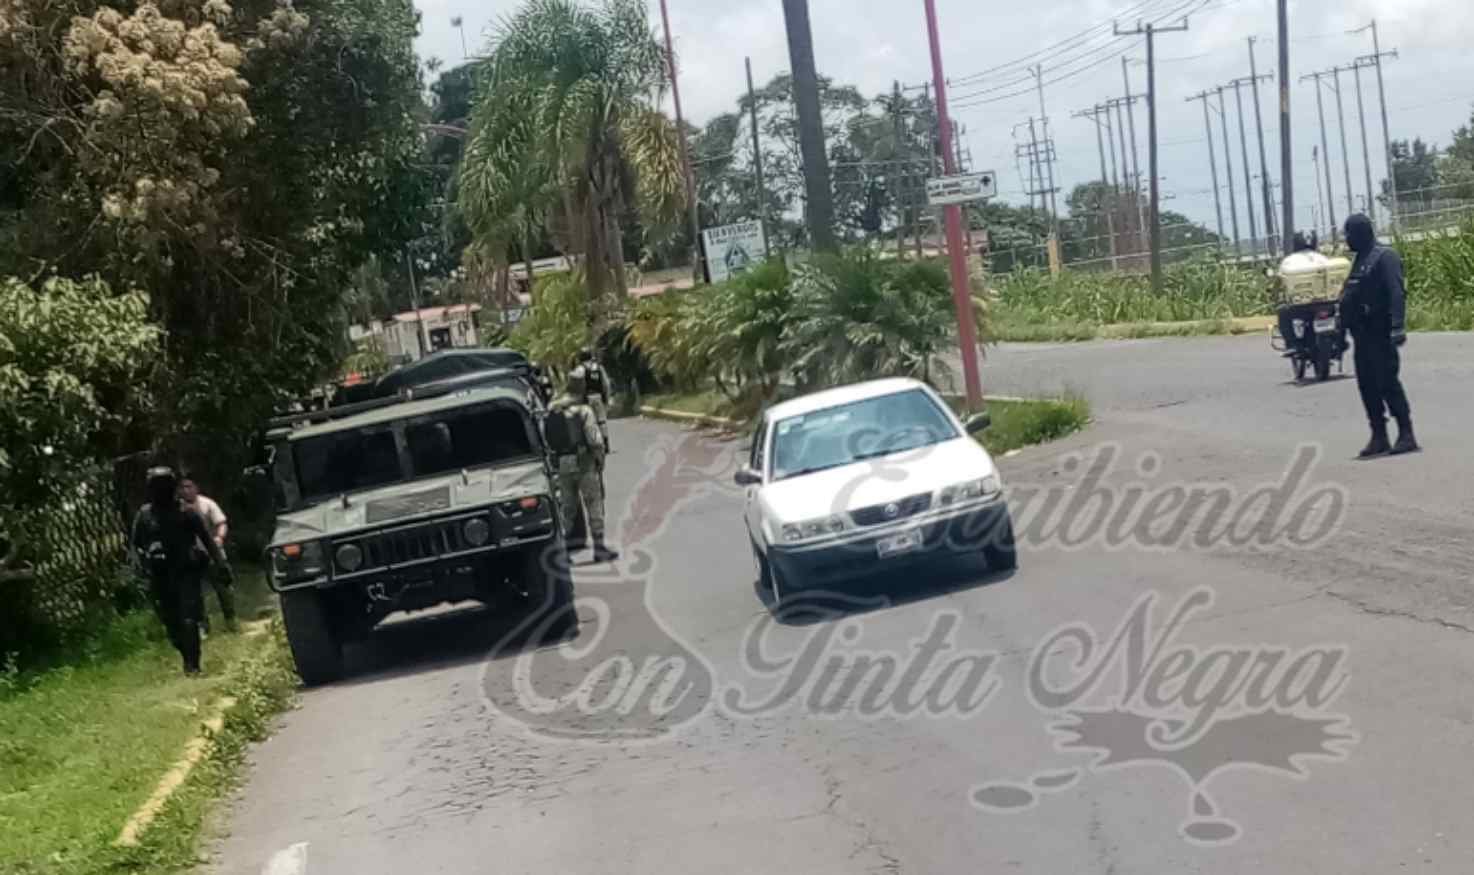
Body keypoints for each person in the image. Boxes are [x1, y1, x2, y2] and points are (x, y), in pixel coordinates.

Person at [131, 467, 233, 674]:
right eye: (156, 486)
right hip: (160, 576)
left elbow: (207, 539)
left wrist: (221, 565)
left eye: (164, 486)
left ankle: (192, 665)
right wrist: (142, 564)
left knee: (188, 619)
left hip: (186, 572)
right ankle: (186, 655)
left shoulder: (187, 512)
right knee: (172, 624)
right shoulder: (144, 515)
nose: (161, 491)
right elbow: (134, 546)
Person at [1340, 213, 1418, 458]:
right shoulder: (1359, 261)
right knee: (1367, 386)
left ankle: (1406, 433)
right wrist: (1340, 332)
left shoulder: (1385, 257)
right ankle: (1379, 436)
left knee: (1388, 383)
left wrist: (1398, 326)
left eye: (1349, 233)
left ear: (1362, 232)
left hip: (1380, 333)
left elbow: (1396, 293)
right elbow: (1348, 299)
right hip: (1361, 336)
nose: (1347, 239)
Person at [548, 371, 618, 562]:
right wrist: (599, 461)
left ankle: (563, 552)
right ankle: (599, 548)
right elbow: (595, 441)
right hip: (584, 463)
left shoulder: (553, 408)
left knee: (567, 509)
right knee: (594, 503)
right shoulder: (584, 410)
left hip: (562, 464)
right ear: (582, 388)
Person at [179, 478, 236, 633]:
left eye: (189, 487)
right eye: (182, 488)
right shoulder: (178, 509)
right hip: (191, 556)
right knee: (196, 593)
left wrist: (219, 538)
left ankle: (231, 620)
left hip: (212, 552)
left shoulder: (207, 504)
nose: (186, 490)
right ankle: (203, 626)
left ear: (196, 487)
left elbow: (221, 523)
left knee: (223, 588)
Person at [577, 348, 611, 453]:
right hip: (598, 397)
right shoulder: (599, 367)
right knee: (602, 422)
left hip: (586, 399)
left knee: (588, 423)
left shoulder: (580, 369)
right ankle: (605, 444)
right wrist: (606, 397)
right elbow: (606, 384)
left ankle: (593, 446)